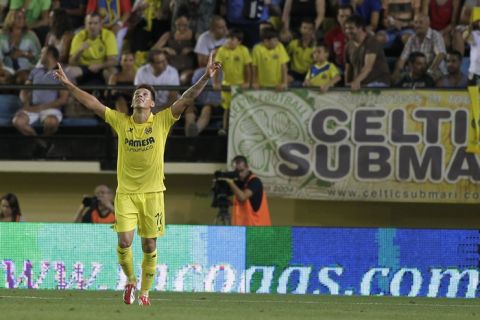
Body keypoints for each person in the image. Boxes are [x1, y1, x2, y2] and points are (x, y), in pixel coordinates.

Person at [54, 51, 222, 306]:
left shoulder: (163, 120)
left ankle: (145, 292)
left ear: (153, 103)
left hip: (153, 193)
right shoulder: (121, 122)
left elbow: (188, 97)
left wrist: (205, 78)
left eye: (144, 94)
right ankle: (131, 280)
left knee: (149, 245)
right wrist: (68, 85)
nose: (139, 96)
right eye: (136, 94)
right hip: (126, 194)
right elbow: (92, 104)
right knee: (124, 240)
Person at [12, 45, 68, 158]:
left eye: (42, 53)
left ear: (49, 55)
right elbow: (25, 90)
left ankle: (40, 147)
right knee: (17, 121)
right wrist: (25, 102)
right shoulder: (35, 71)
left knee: (51, 123)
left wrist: (41, 107)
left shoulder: (61, 73)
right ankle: (42, 144)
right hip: (32, 108)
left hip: (51, 109)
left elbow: (63, 99)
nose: (40, 55)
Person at [213, 29, 252, 135]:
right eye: (228, 38)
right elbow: (216, 67)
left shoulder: (243, 50)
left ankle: (243, 132)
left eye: (233, 39)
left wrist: (247, 82)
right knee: (227, 109)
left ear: (239, 41)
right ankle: (225, 129)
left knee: (242, 109)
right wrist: (216, 82)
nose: (229, 41)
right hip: (227, 85)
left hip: (241, 86)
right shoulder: (221, 50)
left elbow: (247, 67)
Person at [217, 155, 271, 226]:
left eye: (242, 171)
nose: (240, 174)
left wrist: (231, 183)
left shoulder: (255, 181)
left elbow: (242, 197)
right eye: (237, 172)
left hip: (258, 231)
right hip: (244, 230)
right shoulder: (241, 183)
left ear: (247, 167)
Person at [68, 12, 118, 85]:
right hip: (84, 67)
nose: (92, 26)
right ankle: (73, 96)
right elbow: (71, 62)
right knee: (68, 72)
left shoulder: (108, 36)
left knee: (112, 72)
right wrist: (79, 51)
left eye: (95, 23)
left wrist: (99, 65)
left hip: (102, 67)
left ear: (100, 25)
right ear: (85, 24)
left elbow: (113, 61)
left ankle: (109, 95)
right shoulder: (79, 36)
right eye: (90, 23)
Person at [344, 15, 391, 90]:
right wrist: (346, 86)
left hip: (378, 83)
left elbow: (368, 67)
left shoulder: (372, 42)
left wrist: (356, 81)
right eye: (346, 28)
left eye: (351, 28)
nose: (347, 31)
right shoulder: (348, 46)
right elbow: (348, 69)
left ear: (360, 28)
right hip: (361, 84)